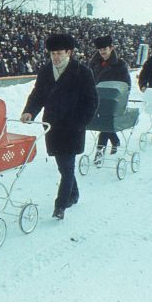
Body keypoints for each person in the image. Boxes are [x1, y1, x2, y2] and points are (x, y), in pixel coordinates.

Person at [20, 33, 97, 221]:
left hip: (73, 127)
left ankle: (60, 205)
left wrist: (80, 123)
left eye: (59, 53)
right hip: (53, 125)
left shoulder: (82, 72)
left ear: (69, 52)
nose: (55, 57)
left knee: (67, 167)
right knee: (63, 166)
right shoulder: (46, 71)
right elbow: (38, 94)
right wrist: (29, 111)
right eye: (52, 53)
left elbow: (92, 102)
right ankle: (74, 194)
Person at [88, 35, 130, 159]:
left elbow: (126, 83)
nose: (102, 52)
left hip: (113, 99)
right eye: (100, 50)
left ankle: (99, 152)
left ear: (111, 48)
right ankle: (115, 140)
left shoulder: (120, 65)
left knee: (104, 123)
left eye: (105, 49)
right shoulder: (93, 63)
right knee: (103, 123)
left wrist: (123, 99)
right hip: (97, 97)